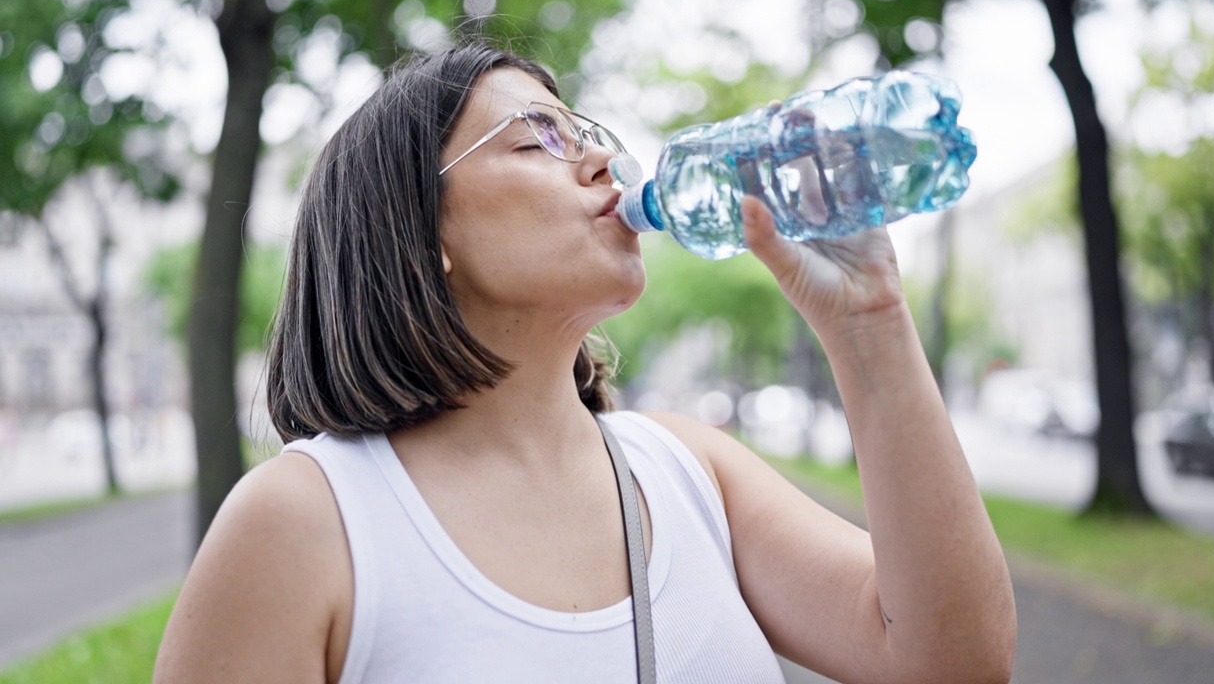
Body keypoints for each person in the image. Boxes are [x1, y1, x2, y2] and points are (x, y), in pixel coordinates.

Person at [153, 42, 1016, 684]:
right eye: (538, 142)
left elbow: (952, 662)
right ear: (419, 235)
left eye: (587, 134)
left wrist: (871, 326)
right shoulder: (305, 523)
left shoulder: (689, 471)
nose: (606, 160)